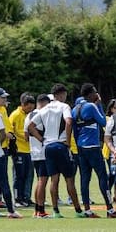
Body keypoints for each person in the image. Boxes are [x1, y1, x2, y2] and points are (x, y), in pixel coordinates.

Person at [40, 84, 86, 218]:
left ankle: (56, 211)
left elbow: (31, 125)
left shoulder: (45, 108)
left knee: (54, 180)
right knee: (69, 179)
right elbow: (68, 121)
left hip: (48, 146)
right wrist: (67, 139)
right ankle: (78, 210)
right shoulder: (64, 106)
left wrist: (41, 139)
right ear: (61, 94)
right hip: (60, 145)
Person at [72, 84, 112, 216]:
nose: (97, 94)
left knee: (85, 178)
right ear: (90, 94)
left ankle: (87, 210)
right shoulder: (91, 106)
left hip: (81, 147)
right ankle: (110, 208)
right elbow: (103, 122)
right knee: (102, 176)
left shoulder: (75, 109)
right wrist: (99, 104)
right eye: (95, 92)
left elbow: (75, 130)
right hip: (93, 146)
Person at [7, 93, 35, 209]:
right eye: (29, 107)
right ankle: (18, 199)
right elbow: (10, 131)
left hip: (30, 150)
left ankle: (26, 198)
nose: (30, 110)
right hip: (19, 150)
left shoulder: (32, 115)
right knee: (19, 175)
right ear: (23, 105)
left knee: (29, 175)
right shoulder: (15, 115)